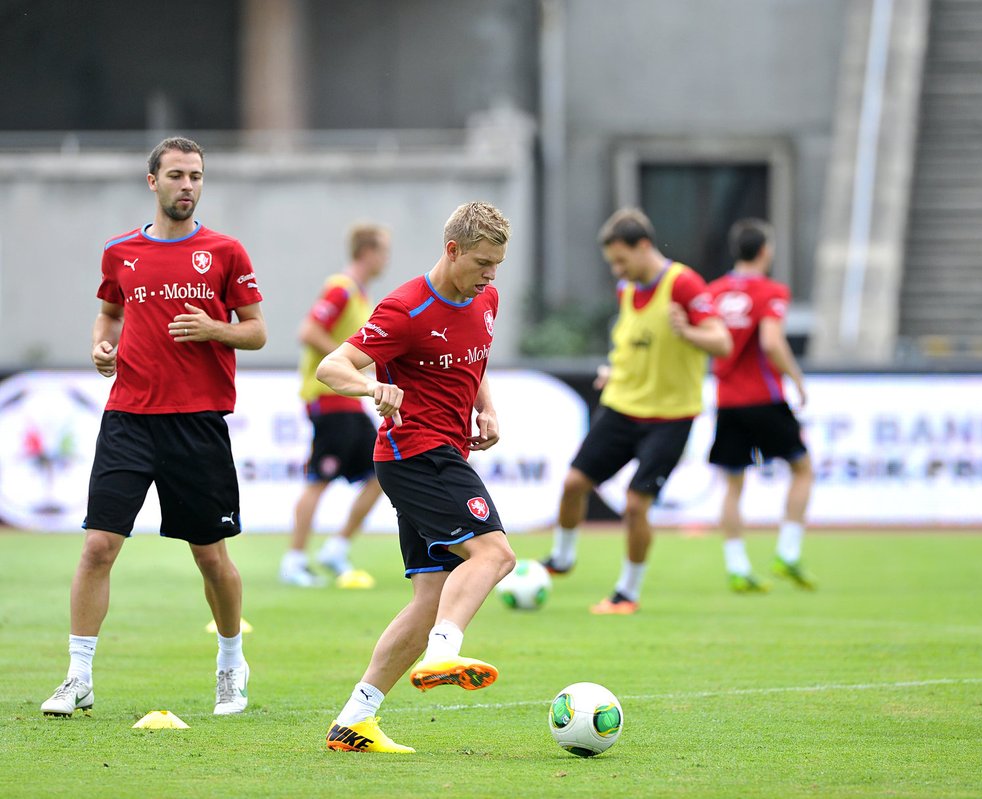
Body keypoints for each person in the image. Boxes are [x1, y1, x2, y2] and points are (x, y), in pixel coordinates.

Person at [40, 137, 266, 718]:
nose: (187, 185)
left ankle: (230, 662)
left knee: (210, 557)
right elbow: (109, 313)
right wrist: (100, 345)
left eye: (195, 175)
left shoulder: (225, 251)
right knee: (98, 546)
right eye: (176, 175)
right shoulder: (120, 252)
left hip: (196, 422)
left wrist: (215, 329)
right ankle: (78, 677)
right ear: (152, 182)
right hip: (129, 417)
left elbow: (257, 331)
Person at [316, 201, 517, 754]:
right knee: (496, 556)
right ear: (452, 250)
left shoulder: (486, 297)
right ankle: (443, 652)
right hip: (415, 454)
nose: (490, 275)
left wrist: (488, 408)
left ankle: (354, 721)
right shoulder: (405, 308)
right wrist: (371, 388)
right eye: (481, 262)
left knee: (429, 599)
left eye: (497, 264)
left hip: (441, 451)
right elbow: (330, 365)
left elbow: (473, 360)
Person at [541, 208, 732, 614]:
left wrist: (690, 332)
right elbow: (637, 342)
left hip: (671, 417)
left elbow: (722, 342)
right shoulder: (627, 290)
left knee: (634, 505)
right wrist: (615, 370)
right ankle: (562, 558)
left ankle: (627, 592)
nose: (616, 269)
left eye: (620, 260)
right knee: (574, 483)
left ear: (644, 246)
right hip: (623, 407)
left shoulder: (683, 283)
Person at [706, 218, 815, 592]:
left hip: (727, 400)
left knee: (733, 485)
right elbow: (771, 342)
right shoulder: (771, 291)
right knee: (802, 469)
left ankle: (737, 567)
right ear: (765, 250)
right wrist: (796, 379)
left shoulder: (714, 292)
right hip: (764, 398)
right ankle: (787, 553)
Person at [279, 224, 391, 588]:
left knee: (383, 473)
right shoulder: (341, 289)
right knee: (319, 479)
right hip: (329, 399)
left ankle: (336, 547)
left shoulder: (360, 295)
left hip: (350, 403)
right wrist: (340, 363)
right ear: (368, 252)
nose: (386, 259)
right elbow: (309, 331)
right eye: (383, 250)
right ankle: (294, 560)